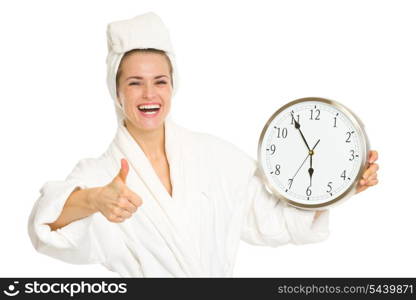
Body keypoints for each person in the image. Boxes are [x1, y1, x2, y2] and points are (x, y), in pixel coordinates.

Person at [27, 12, 379, 277]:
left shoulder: (215, 156)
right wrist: (93, 200)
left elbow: (275, 220)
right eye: (135, 83)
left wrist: (343, 186)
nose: (149, 94)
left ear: (172, 87)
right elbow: (46, 226)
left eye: (159, 81)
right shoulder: (100, 174)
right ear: (116, 92)